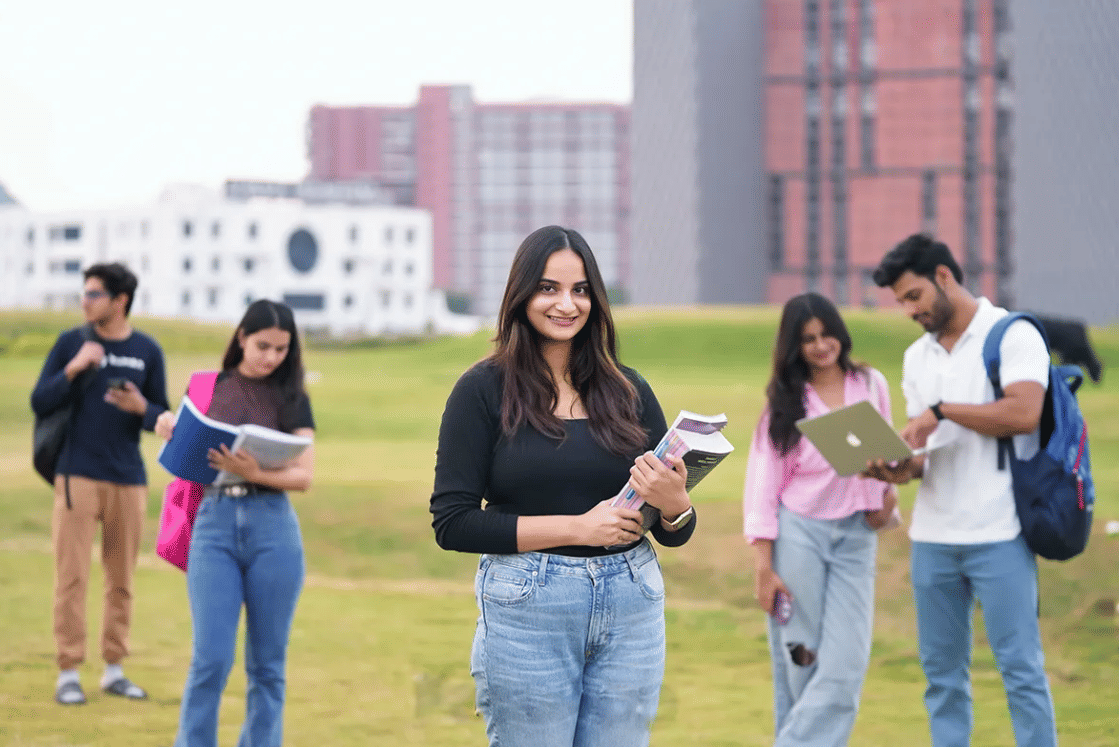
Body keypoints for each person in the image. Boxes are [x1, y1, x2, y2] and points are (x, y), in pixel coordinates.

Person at [430, 225, 698, 747]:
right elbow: (453, 521)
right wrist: (579, 527)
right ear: (521, 294)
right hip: (528, 606)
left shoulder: (629, 389)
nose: (566, 304)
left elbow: (673, 531)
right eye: (548, 288)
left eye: (580, 291)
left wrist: (675, 507)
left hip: (632, 600)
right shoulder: (483, 390)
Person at [866, 234, 1058, 747]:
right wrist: (895, 469)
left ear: (945, 277)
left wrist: (944, 411)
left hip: (1001, 531)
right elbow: (925, 458)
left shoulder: (1012, 335)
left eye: (913, 296)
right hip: (933, 536)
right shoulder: (916, 357)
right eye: (901, 301)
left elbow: (1024, 413)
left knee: (1020, 670)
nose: (909, 310)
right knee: (942, 679)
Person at [154, 299, 316, 747]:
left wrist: (256, 473)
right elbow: (180, 453)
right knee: (210, 659)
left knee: (268, 665)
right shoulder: (208, 385)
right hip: (213, 522)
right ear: (241, 337)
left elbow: (304, 475)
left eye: (281, 350)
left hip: (273, 527)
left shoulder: (292, 397)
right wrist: (169, 427)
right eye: (262, 345)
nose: (271, 357)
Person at [742, 292, 898, 746]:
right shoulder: (784, 406)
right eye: (808, 338)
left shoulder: (871, 384)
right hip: (798, 536)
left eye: (827, 333)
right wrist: (763, 567)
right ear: (794, 346)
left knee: (847, 664)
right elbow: (763, 486)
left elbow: (886, 456)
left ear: (840, 334)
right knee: (801, 662)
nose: (821, 345)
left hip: (856, 536)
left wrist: (885, 500)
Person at [31, 262, 169, 706]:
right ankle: (68, 671)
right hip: (77, 475)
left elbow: (162, 419)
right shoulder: (72, 342)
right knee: (71, 577)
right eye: (85, 293)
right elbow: (39, 401)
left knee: (121, 579)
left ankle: (114, 669)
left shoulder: (147, 350)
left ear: (120, 301)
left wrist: (139, 406)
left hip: (128, 479)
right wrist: (73, 369)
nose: (85, 301)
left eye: (94, 294)